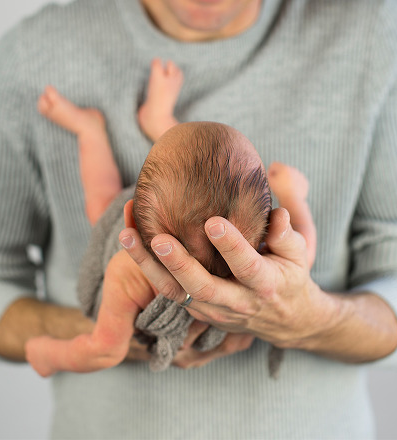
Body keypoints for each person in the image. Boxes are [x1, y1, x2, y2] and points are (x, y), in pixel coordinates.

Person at [0, 0, 397, 437]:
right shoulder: (34, 56)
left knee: (102, 219)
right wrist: (128, 332)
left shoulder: (370, 32)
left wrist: (310, 319)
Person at [25, 59, 316, 378]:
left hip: (134, 256)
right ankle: (155, 120)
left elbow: (104, 348)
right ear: (269, 224)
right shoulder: (261, 259)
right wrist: (293, 197)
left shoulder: (128, 270)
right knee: (200, 165)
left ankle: (90, 130)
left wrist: (49, 355)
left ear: (133, 223)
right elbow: (303, 252)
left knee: (106, 202)